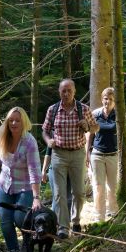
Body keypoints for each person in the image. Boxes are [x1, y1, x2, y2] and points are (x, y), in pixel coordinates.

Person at [42, 78, 98, 238]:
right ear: (59, 92)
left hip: (78, 154)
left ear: (74, 92)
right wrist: (48, 141)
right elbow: (45, 130)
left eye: (69, 91)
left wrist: (87, 126)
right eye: (63, 91)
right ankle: (63, 227)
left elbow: (96, 127)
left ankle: (76, 220)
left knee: (79, 192)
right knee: (59, 193)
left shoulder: (84, 109)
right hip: (58, 154)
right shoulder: (52, 110)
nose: (66, 94)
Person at [0, 107, 42, 252]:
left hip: (25, 186)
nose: (13, 123)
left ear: (24, 122)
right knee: (5, 221)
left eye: (17, 120)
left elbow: (34, 170)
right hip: (5, 185)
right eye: (11, 120)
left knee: (20, 218)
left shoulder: (29, 142)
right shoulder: (2, 136)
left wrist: (36, 197)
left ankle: (27, 241)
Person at [86, 86, 126, 222]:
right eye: (106, 99)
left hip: (113, 155)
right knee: (98, 186)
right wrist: (87, 154)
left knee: (112, 187)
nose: (108, 102)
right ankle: (99, 216)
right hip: (97, 155)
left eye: (111, 99)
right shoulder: (95, 114)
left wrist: (122, 153)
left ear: (115, 101)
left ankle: (114, 213)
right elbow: (89, 136)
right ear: (102, 99)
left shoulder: (120, 115)